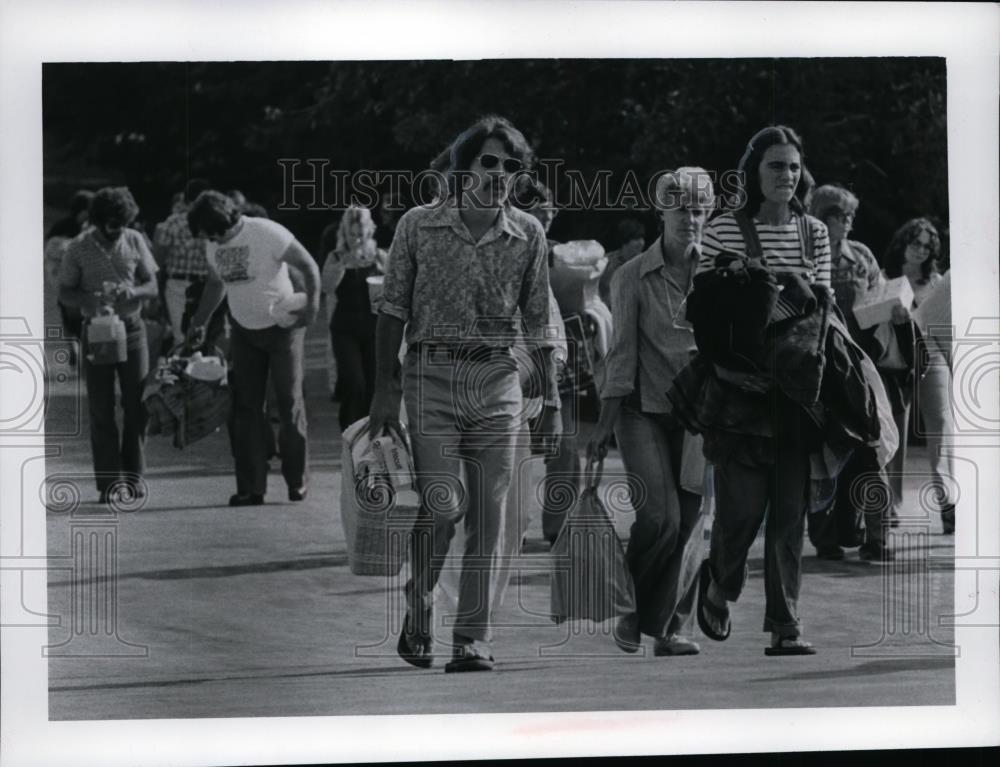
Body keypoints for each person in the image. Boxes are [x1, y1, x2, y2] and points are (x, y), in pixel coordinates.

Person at [369, 115, 559, 673]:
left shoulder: (528, 234)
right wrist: (385, 387)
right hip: (431, 378)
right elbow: (392, 310)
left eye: (510, 166)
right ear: (464, 167)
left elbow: (540, 320)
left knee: (492, 515)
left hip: (499, 381)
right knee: (444, 503)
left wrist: (550, 400)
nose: (499, 174)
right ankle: (419, 597)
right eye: (489, 162)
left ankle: (472, 637)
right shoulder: (418, 226)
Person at [694, 125, 832, 655]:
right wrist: (727, 369)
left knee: (789, 515)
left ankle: (785, 624)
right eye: (776, 166)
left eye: (794, 167)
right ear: (754, 171)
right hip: (737, 388)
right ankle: (720, 582)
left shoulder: (814, 232)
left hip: (798, 390)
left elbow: (824, 310)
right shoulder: (725, 228)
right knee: (741, 510)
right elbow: (704, 314)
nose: (786, 176)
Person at [587, 168, 714, 657]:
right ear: (662, 213)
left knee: (691, 522)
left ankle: (669, 629)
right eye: (681, 209)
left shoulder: (718, 272)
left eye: (699, 210)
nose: (691, 219)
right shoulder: (630, 275)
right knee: (658, 517)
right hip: (641, 408)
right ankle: (633, 609)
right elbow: (620, 356)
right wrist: (602, 426)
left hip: (698, 414)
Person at [186, 190, 321, 506]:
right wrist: (200, 322)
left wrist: (312, 307)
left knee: (288, 403)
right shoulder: (212, 245)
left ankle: (296, 481)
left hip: (282, 329)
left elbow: (309, 265)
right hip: (244, 331)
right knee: (246, 407)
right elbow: (216, 284)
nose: (211, 242)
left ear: (222, 225)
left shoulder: (266, 232)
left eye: (211, 235)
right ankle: (251, 487)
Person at [805, 184, 894, 561]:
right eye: (840, 215)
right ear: (823, 217)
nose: (848, 222)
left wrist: (893, 311)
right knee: (821, 454)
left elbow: (881, 298)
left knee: (871, 447)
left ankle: (878, 537)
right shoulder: (808, 255)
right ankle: (826, 537)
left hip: (858, 364)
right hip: (819, 367)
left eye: (850, 216)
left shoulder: (861, 257)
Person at [58, 187, 159, 503]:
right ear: (97, 221)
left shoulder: (134, 240)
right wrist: (89, 300)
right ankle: (108, 482)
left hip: (132, 330)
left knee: (136, 405)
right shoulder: (77, 248)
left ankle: (135, 477)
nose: (118, 231)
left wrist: (135, 292)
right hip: (98, 331)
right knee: (101, 409)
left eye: (122, 224)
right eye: (112, 225)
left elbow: (153, 284)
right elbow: (64, 293)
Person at [882, 217, 955, 534]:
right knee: (894, 431)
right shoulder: (885, 278)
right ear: (903, 242)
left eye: (928, 246)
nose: (921, 251)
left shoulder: (938, 282)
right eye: (916, 243)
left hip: (932, 356)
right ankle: (891, 504)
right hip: (896, 362)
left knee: (941, 426)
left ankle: (948, 502)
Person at [321, 205, 387, 431]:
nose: (357, 240)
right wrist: (341, 265)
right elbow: (326, 287)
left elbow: (398, 290)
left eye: (361, 234)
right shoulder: (336, 256)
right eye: (352, 235)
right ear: (344, 233)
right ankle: (350, 433)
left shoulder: (379, 256)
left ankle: (373, 437)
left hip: (373, 328)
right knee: (354, 384)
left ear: (369, 231)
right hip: (345, 328)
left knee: (372, 386)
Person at [152, 178, 221, 347]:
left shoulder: (172, 222)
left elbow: (158, 260)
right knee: (199, 337)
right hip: (206, 285)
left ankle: (187, 369)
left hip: (179, 284)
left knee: (182, 338)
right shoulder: (216, 222)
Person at [45, 189, 95, 365]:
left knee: (76, 315)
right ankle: (76, 347)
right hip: (70, 281)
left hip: (76, 282)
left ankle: (77, 346)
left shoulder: (88, 227)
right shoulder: (71, 228)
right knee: (72, 315)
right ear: (83, 210)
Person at [599, 218, 647, 307]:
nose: (641, 243)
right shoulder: (606, 262)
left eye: (642, 238)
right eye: (636, 239)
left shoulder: (647, 262)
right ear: (625, 240)